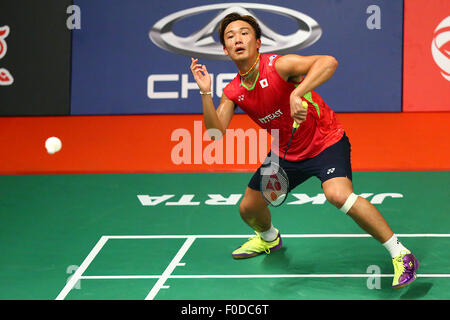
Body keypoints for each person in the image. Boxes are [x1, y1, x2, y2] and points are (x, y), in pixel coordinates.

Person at [189, 12, 419, 289]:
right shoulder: (233, 91)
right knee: (249, 208)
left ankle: (401, 254)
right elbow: (215, 133)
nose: (237, 38)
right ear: (225, 50)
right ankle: (269, 238)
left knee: (338, 195)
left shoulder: (280, 66)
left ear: (258, 42)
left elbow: (328, 62)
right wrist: (205, 92)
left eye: (244, 33)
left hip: (325, 141)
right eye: (230, 36)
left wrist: (297, 93)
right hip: (285, 152)